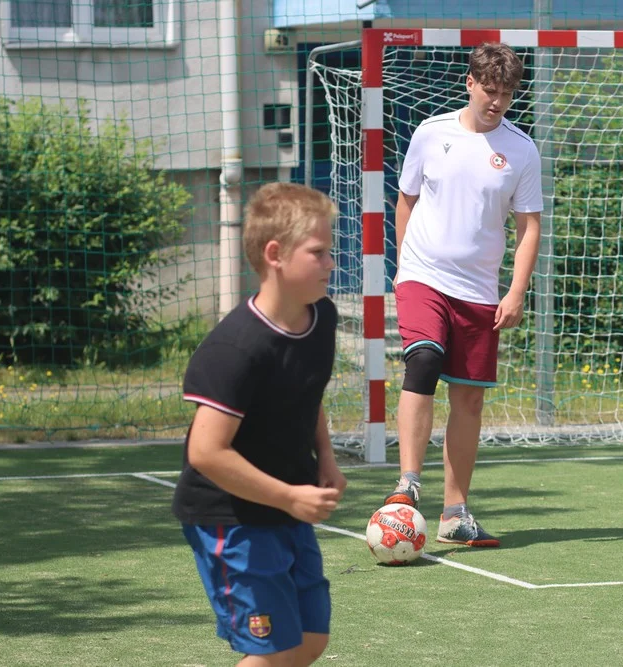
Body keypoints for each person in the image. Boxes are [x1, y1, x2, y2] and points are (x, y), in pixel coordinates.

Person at [172, 182, 347, 664]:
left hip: (285, 506)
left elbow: (307, 395)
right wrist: (290, 495)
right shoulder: (236, 349)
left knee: (311, 639)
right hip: (232, 517)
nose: (331, 263)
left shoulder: (322, 319)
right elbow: (206, 453)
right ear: (275, 254)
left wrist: (325, 459)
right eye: (318, 252)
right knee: (272, 651)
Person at [382, 42, 543, 547]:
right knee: (423, 360)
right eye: (490, 91)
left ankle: (455, 513)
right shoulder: (431, 134)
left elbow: (529, 226)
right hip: (423, 275)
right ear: (470, 84)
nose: (497, 102)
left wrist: (516, 291)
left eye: (507, 94)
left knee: (469, 399)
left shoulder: (522, 150)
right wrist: (403, 264)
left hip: (479, 291)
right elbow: (405, 200)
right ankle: (407, 485)